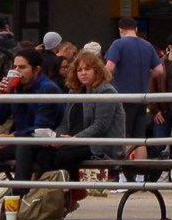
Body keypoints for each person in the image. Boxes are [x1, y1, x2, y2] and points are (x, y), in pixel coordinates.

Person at [0, 47, 66, 193]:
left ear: (36, 70)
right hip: (21, 140)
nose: (17, 71)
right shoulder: (16, 88)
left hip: (44, 144)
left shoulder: (48, 89)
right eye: (15, 67)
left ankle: (14, 204)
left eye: (22, 67)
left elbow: (42, 128)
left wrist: (12, 137)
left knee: (23, 146)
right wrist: (0, 97)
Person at [47, 51, 126, 190]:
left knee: (62, 156)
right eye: (79, 70)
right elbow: (65, 123)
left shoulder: (106, 91)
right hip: (75, 142)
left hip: (100, 145)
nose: (83, 73)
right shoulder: (74, 92)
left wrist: (75, 139)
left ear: (97, 70)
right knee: (45, 153)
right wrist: (56, 138)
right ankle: (44, 193)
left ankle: (65, 192)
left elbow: (100, 126)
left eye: (87, 69)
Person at [103, 17, 157, 140]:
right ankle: (140, 160)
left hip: (123, 99)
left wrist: (100, 83)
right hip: (142, 99)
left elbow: (109, 68)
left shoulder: (118, 44)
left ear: (120, 30)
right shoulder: (147, 45)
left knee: (124, 135)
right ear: (136, 29)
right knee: (140, 138)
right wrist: (147, 75)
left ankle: (126, 160)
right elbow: (159, 70)